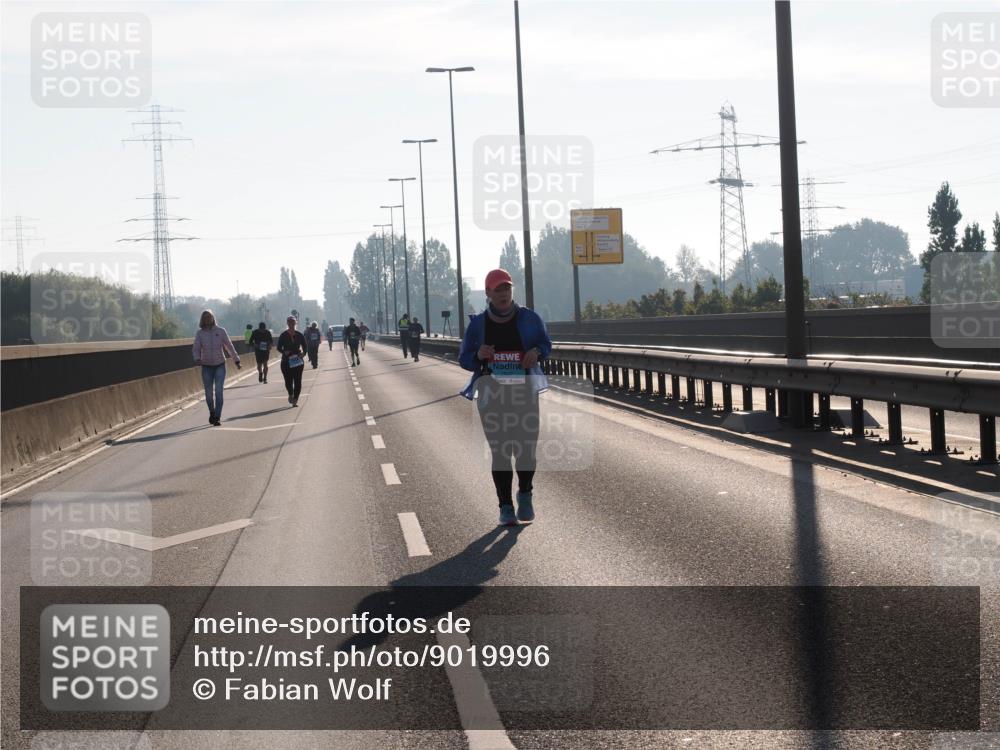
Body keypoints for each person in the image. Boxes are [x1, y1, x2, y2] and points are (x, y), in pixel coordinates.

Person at [459, 269, 551, 527]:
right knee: (501, 452)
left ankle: (525, 493)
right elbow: (464, 358)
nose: (503, 294)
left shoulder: (530, 318)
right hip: (492, 395)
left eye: (507, 288)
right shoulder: (478, 324)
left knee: (525, 450)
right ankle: (505, 506)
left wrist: (536, 352)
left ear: (512, 291)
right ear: (488, 293)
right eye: (498, 289)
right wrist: (478, 354)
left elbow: (546, 345)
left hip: (524, 393)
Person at [192, 310, 241, 426]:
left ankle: (217, 416)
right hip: (206, 366)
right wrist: (197, 358)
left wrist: (236, 360)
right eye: (205, 317)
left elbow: (229, 346)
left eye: (210, 317)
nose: (208, 319)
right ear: (202, 320)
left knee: (219, 391)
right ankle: (212, 412)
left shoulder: (221, 331)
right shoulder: (200, 333)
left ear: (213, 318)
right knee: (208, 394)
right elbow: (196, 348)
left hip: (220, 365)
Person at [276, 315, 307, 406]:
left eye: (293, 322)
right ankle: (290, 393)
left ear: (295, 323)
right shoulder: (283, 335)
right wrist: (284, 352)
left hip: (297, 360)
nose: (291, 324)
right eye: (290, 322)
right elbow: (278, 347)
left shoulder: (299, 334)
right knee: (288, 381)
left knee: (298, 381)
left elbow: (305, 346)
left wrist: (303, 354)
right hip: (286, 361)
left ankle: (295, 399)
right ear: (287, 323)